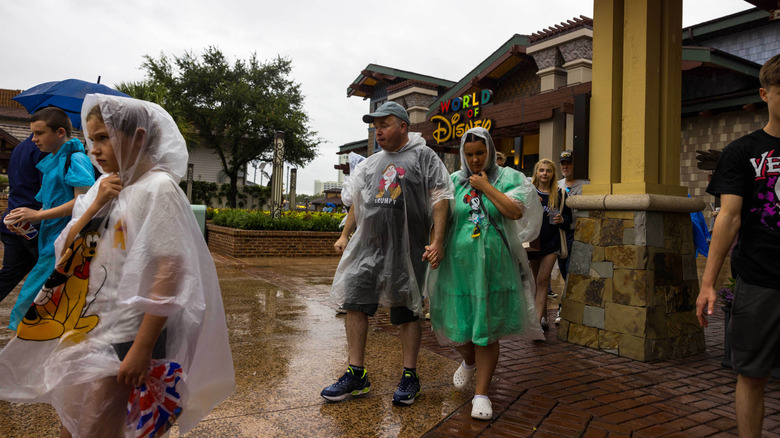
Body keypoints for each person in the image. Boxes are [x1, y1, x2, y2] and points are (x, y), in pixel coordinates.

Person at [0, 94, 235, 437]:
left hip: (127, 332)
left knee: (100, 423)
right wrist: (96, 202)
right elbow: (66, 247)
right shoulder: (102, 186)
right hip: (89, 323)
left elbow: (168, 270)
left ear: (138, 137)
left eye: (103, 138)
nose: (94, 149)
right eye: (91, 139)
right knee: (74, 417)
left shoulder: (158, 189)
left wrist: (142, 347)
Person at [321, 101, 453, 406]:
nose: (378, 131)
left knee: (406, 310)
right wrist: (345, 234)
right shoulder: (370, 163)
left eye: (385, 124)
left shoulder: (423, 156)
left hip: (407, 249)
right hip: (369, 248)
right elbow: (358, 199)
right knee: (354, 302)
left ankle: (410, 376)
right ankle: (356, 374)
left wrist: (438, 240)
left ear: (403, 127)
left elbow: (441, 197)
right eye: (375, 126)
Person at [426, 127, 543, 420]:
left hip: (494, 269)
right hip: (459, 269)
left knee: (486, 332)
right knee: (458, 329)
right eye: (469, 154)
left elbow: (515, 212)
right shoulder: (453, 181)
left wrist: (486, 186)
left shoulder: (509, 178)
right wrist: (436, 246)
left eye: (480, 153)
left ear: (490, 150)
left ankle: (481, 394)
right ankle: (468, 362)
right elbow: (440, 217)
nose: (475, 159)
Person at [696, 54, 780, 438]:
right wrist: (708, 282)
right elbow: (728, 217)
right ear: (765, 94)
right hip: (760, 279)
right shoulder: (742, 152)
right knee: (752, 374)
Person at [5, 107, 95, 329]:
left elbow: (83, 203)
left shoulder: (76, 159)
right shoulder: (54, 160)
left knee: (28, 302)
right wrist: (31, 221)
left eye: (39, 133)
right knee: (44, 303)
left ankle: (18, 353)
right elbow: (52, 202)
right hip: (49, 240)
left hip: (63, 242)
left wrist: (37, 215)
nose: (33, 139)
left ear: (60, 132)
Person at [0, 135, 47, 303]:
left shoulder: (20, 147)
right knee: (51, 272)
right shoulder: (44, 149)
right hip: (35, 222)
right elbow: (47, 190)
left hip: (13, 218)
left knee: (8, 275)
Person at [528, 158, 571, 332]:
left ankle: (537, 323)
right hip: (533, 241)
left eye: (548, 171)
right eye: (542, 170)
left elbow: (569, 220)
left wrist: (562, 219)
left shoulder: (560, 194)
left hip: (552, 242)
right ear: (537, 173)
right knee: (537, 280)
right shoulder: (529, 192)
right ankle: (544, 315)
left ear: (553, 174)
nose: (545, 173)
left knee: (543, 279)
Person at [554, 150, 589, 324]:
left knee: (570, 270)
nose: (565, 166)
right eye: (563, 163)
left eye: (568, 163)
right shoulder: (557, 184)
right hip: (560, 234)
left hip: (577, 233)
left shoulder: (586, 185)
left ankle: (563, 306)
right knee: (563, 269)